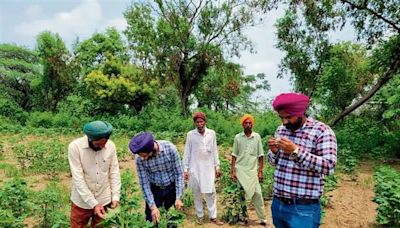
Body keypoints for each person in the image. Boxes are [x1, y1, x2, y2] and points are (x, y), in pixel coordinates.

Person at [267, 93, 337, 228]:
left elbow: (329, 166)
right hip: (278, 203)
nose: (284, 122)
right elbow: (274, 162)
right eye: (281, 117)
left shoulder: (321, 131)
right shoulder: (281, 130)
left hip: (303, 208)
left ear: (301, 112)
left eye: (288, 117)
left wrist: (296, 151)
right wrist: (274, 152)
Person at [68, 120, 121, 228]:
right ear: (90, 139)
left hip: (104, 199)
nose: (102, 146)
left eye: (104, 143)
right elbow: (78, 179)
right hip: (81, 201)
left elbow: (114, 172)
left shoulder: (110, 146)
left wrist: (115, 197)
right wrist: (94, 203)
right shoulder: (75, 147)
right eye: (99, 144)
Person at [129, 132, 184, 225]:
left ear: (152, 149)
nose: (144, 159)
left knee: (172, 220)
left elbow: (179, 173)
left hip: (171, 188)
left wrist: (178, 197)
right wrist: (153, 207)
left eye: (146, 156)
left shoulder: (170, 149)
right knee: (152, 220)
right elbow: (144, 183)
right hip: (154, 189)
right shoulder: (140, 158)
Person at [182, 112, 223, 225]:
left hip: (208, 168)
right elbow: (187, 152)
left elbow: (215, 150)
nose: (200, 124)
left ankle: (213, 216)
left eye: (201, 121)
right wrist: (185, 169)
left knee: (211, 192)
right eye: (197, 122)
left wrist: (217, 166)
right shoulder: (190, 134)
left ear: (205, 122)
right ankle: (200, 216)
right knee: (197, 193)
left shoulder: (212, 133)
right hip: (195, 168)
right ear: (194, 123)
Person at [231, 114, 268, 226]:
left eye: (250, 123)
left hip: (252, 171)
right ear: (242, 125)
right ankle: (244, 217)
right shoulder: (238, 137)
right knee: (242, 195)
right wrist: (233, 171)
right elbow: (234, 155)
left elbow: (261, 155)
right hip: (240, 170)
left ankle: (262, 218)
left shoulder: (257, 137)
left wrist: (260, 171)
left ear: (252, 124)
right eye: (245, 123)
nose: (248, 124)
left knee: (258, 194)